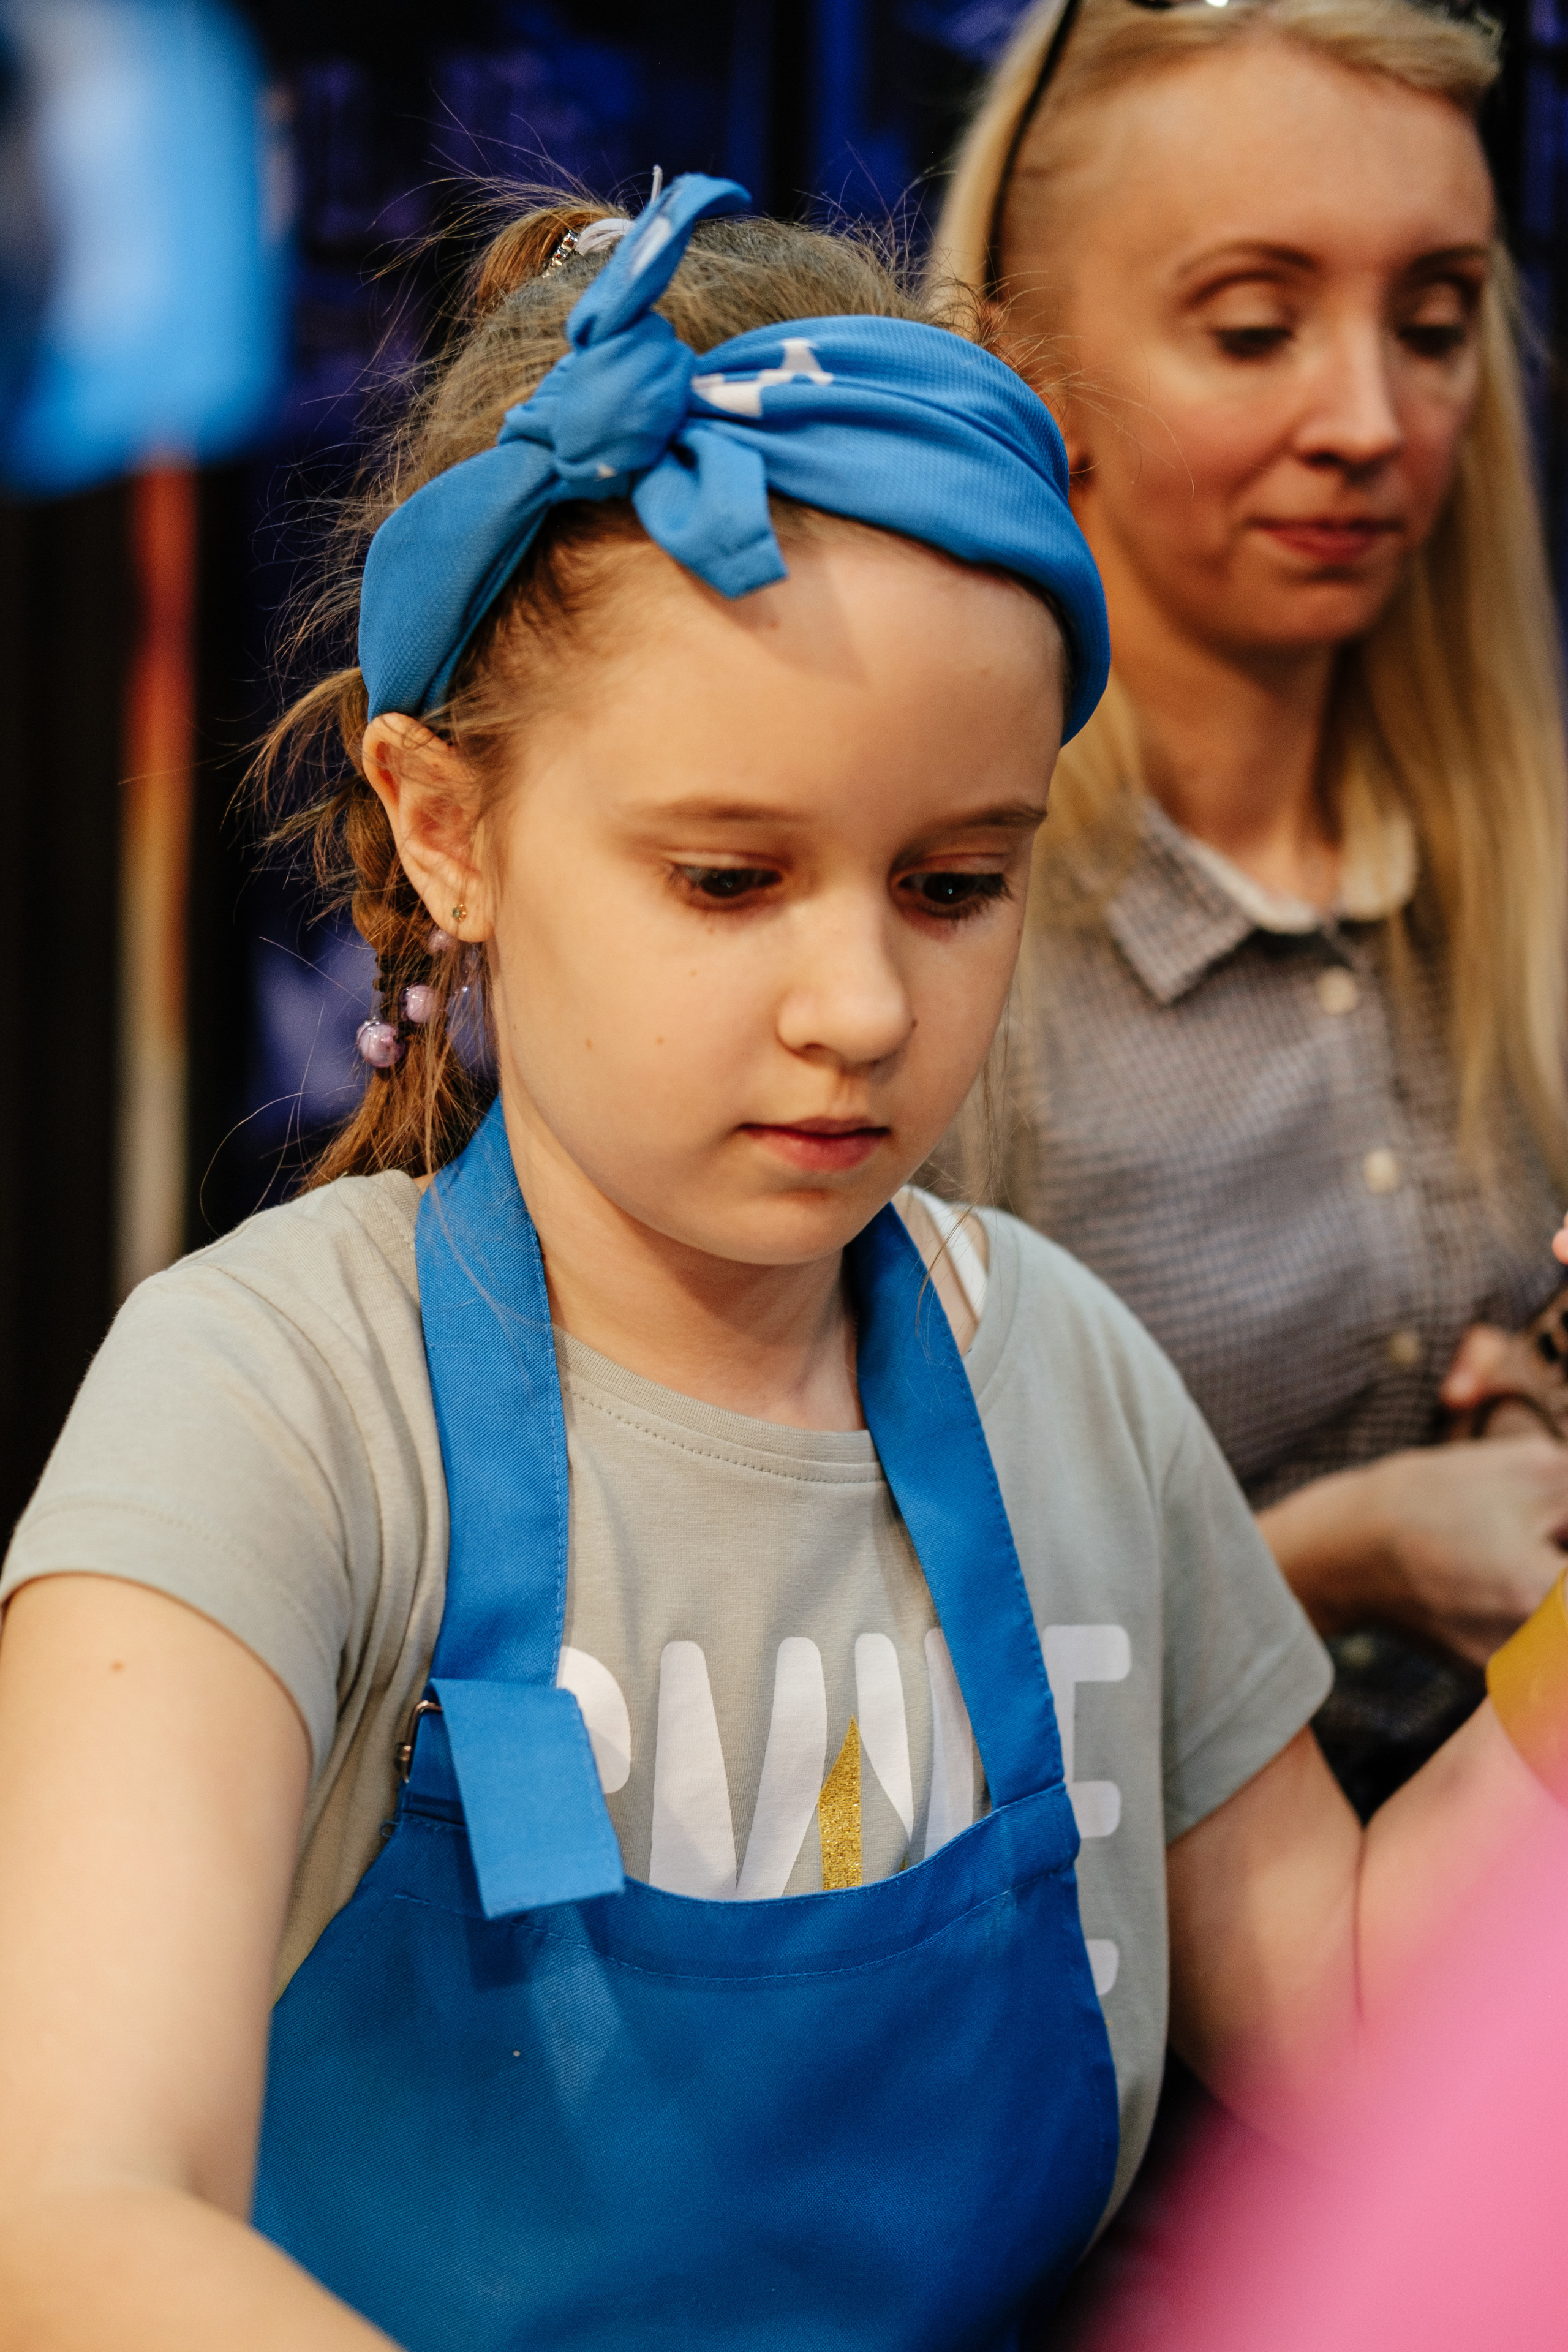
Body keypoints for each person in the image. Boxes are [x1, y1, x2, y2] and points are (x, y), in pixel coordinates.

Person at [0, 173, 1564, 2352]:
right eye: (731, 879)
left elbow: (1370, 2020)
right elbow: (74, 2222)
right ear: (448, 827)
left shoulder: (1064, 1386)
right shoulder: (271, 1407)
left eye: (952, 886)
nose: (860, 1006)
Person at [929, 0, 1568, 1818]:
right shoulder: (942, 948)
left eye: (1434, 327)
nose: (1369, 421)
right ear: (1031, 370)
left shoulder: (1513, 870)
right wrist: (1331, 1560)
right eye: (1254, 328)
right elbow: (809, 1650)